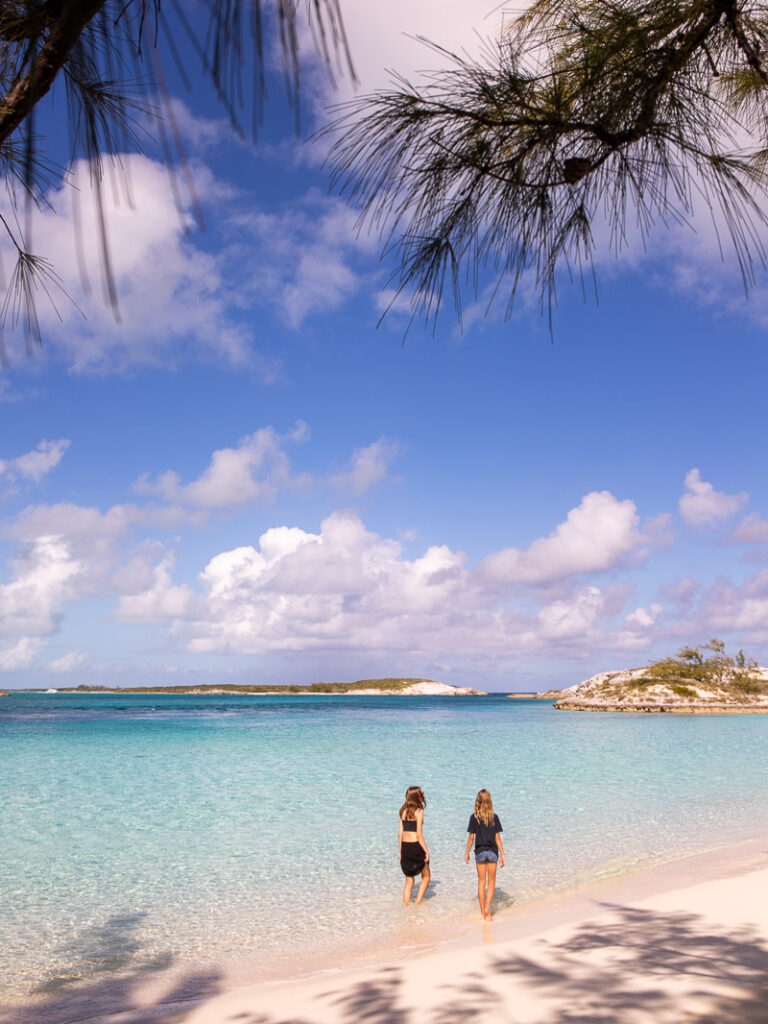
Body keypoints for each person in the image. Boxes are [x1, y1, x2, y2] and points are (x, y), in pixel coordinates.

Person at [464, 788, 505, 921]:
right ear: (490, 801)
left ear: (478, 801)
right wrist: (503, 855)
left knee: (482, 882)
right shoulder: (494, 817)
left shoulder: (474, 817)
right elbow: (497, 838)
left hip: (480, 853)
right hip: (492, 853)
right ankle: (488, 908)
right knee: (491, 882)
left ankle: (483, 912)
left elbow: (471, 838)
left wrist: (467, 852)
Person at [398, 785, 430, 905]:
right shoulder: (419, 811)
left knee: (409, 880)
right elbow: (419, 835)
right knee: (426, 877)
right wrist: (426, 851)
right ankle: (417, 903)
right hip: (416, 846)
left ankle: (406, 906)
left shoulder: (403, 811)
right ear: (417, 796)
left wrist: (401, 852)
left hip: (405, 847)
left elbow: (399, 834)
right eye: (422, 793)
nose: (424, 795)